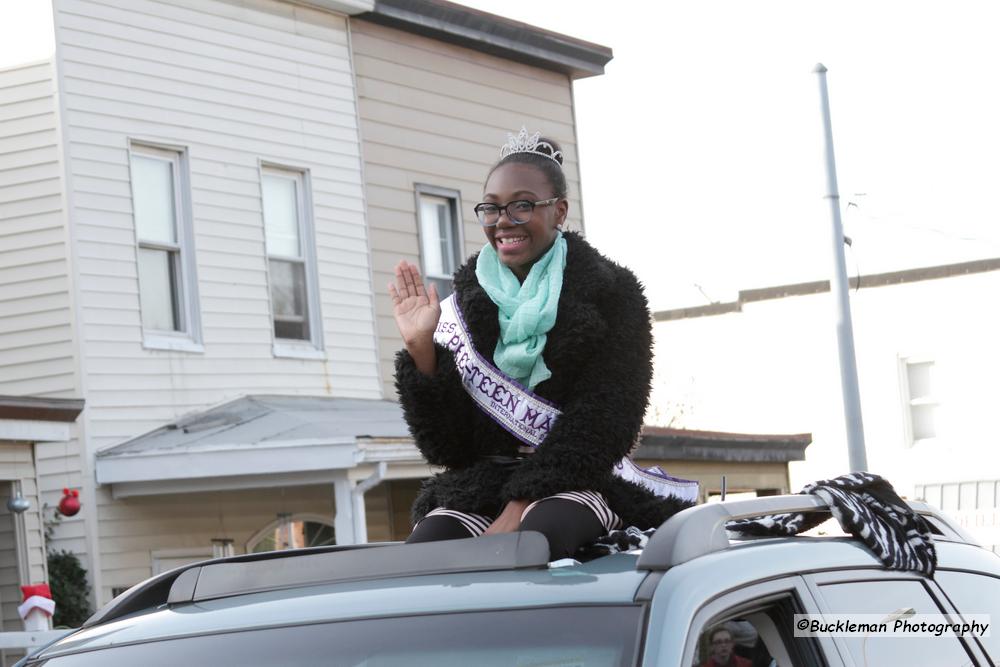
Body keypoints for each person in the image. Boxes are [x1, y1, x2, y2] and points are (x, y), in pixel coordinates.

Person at [389, 128, 690, 560]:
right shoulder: (463, 307)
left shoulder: (613, 294)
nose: (503, 220)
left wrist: (521, 502)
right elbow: (446, 448)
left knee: (539, 537)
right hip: (483, 484)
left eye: (522, 205)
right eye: (491, 209)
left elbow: (606, 423)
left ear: (559, 210)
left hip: (580, 479)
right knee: (427, 551)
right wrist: (421, 349)